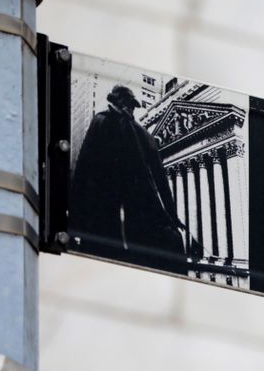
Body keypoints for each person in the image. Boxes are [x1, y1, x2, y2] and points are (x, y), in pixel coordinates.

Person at [69, 85, 188, 275]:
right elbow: (84, 168)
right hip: (107, 211)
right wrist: (76, 220)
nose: (131, 109)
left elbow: (160, 179)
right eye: (128, 104)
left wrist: (172, 215)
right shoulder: (102, 122)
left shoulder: (142, 134)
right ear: (117, 101)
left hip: (136, 212)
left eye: (133, 105)